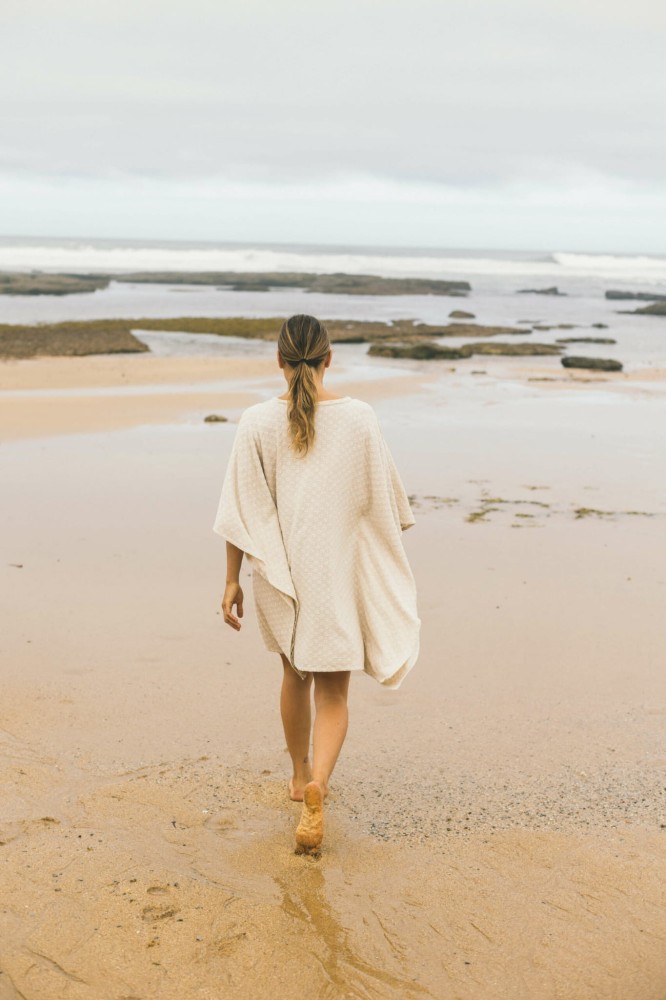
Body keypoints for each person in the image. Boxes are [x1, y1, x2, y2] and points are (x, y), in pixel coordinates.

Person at [214, 314, 420, 852]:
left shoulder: (256, 421)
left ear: (278, 361)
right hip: (334, 576)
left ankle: (297, 773)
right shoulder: (360, 419)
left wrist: (232, 580)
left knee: (293, 675)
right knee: (334, 693)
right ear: (330, 359)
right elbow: (385, 506)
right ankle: (318, 786)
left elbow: (242, 510)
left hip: (281, 573)